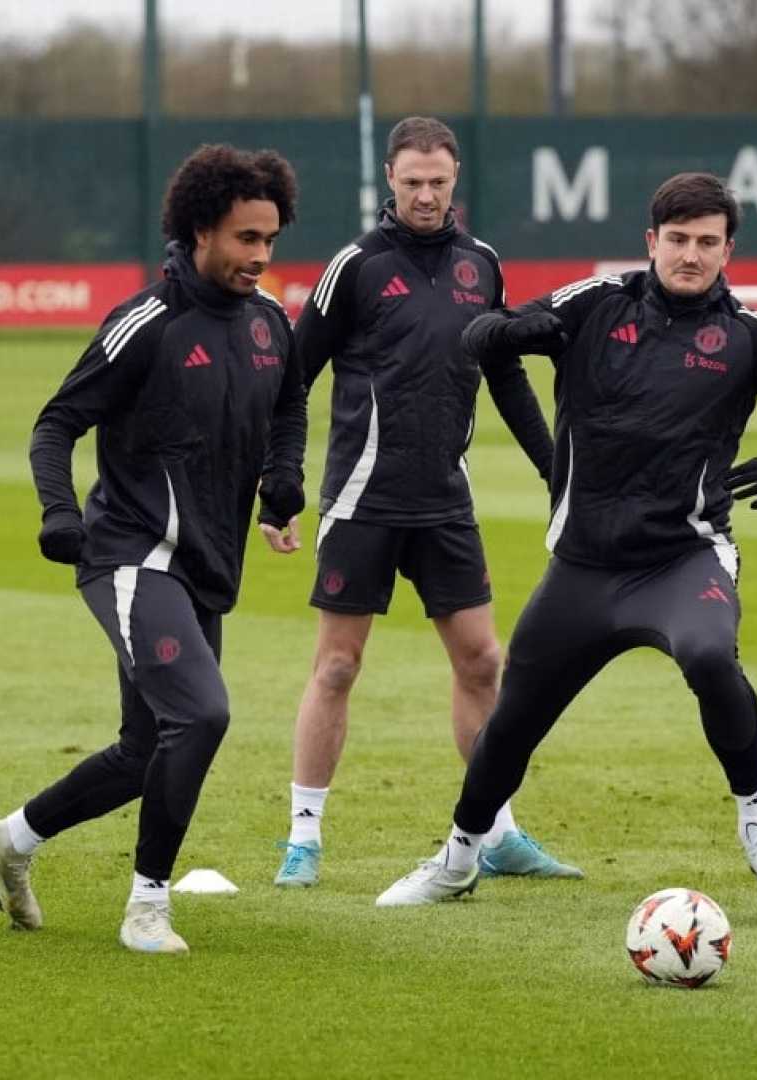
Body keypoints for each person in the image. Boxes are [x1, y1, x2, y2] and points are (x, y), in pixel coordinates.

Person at [372, 171, 757, 909]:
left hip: (684, 559)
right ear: (651, 241)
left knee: (709, 656)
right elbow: (482, 336)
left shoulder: (750, 336)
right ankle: (458, 857)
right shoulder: (596, 301)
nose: (691, 255)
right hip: (582, 567)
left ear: (729, 249)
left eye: (707, 242)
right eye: (678, 240)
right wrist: (508, 332)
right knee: (513, 721)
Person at [0, 144, 308, 954]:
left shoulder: (269, 321)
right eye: (246, 238)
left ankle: (8, 840)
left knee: (145, 748)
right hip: (130, 552)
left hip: (206, 565)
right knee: (202, 713)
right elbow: (57, 424)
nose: (261, 254)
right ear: (199, 230)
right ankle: (147, 906)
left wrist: (282, 478)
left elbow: (289, 405)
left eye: (270, 239)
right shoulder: (146, 324)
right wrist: (58, 513)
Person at [272, 116, 577, 890]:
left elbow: (507, 376)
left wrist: (557, 472)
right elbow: (292, 378)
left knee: (482, 661)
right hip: (362, 500)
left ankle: (497, 833)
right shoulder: (355, 267)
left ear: (455, 179)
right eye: (412, 182)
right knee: (337, 666)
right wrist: (279, 485)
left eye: (438, 182)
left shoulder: (482, 265)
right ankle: (303, 839)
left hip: (445, 501)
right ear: (390, 180)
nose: (426, 195)